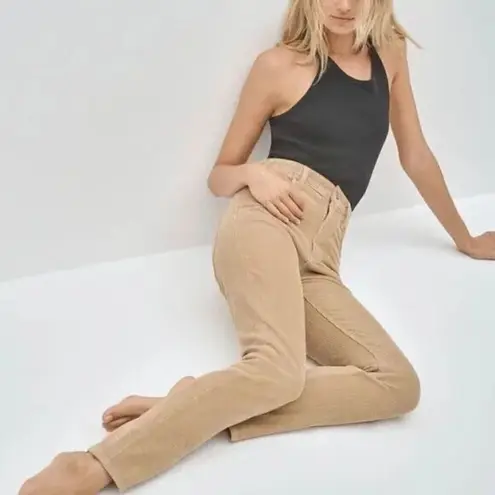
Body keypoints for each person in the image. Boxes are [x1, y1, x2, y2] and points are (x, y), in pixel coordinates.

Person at [20, 0, 495, 493]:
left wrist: (465, 238)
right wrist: (254, 174)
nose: (344, 5)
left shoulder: (389, 53)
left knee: (397, 384)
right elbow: (219, 175)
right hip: (263, 224)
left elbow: (415, 154)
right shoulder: (277, 65)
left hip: (322, 254)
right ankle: (94, 465)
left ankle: (193, 406)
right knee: (277, 371)